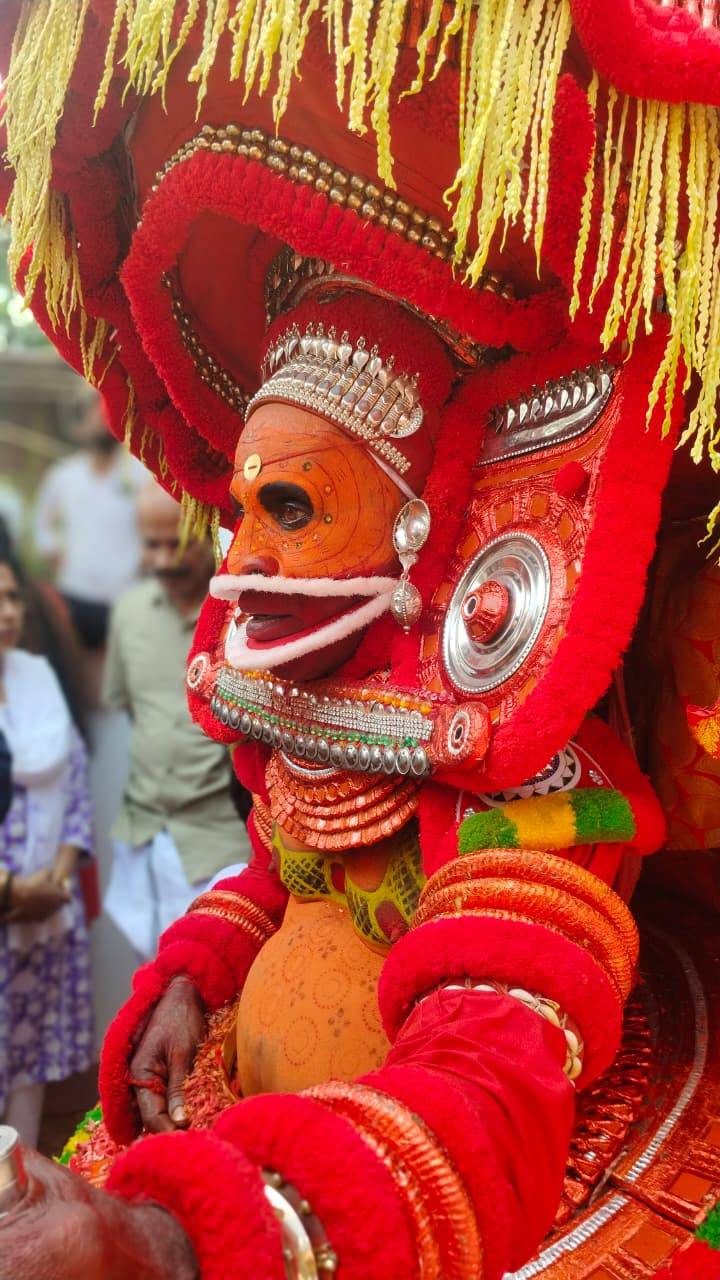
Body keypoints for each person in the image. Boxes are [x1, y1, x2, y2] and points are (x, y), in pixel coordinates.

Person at [2, 4, 720, 1280]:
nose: (240, 562)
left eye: (290, 510)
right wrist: (194, 972)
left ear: (420, 533)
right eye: (238, 510)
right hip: (242, 1123)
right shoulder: (323, 730)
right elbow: (285, 871)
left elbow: (489, 1086)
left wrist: (172, 1240)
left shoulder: (551, 791)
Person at [102, 482, 251, 960]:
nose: (163, 559)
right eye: (152, 544)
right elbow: (128, 707)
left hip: (219, 847)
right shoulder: (129, 614)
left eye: (176, 544)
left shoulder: (243, 623)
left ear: (208, 534)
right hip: (142, 838)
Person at [0, 547, 94, 1148]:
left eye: (11, 597)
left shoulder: (36, 678)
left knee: (29, 1071)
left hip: (47, 918)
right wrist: (12, 892)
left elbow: (77, 788)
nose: (6, 611)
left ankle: (19, 1204)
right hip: (9, 909)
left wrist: (55, 882)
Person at [33, 391, 145, 653]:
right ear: (82, 422)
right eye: (95, 411)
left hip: (128, 596)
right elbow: (42, 526)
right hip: (75, 594)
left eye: (108, 411)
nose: (100, 418)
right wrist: (55, 554)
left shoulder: (141, 476)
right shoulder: (64, 475)